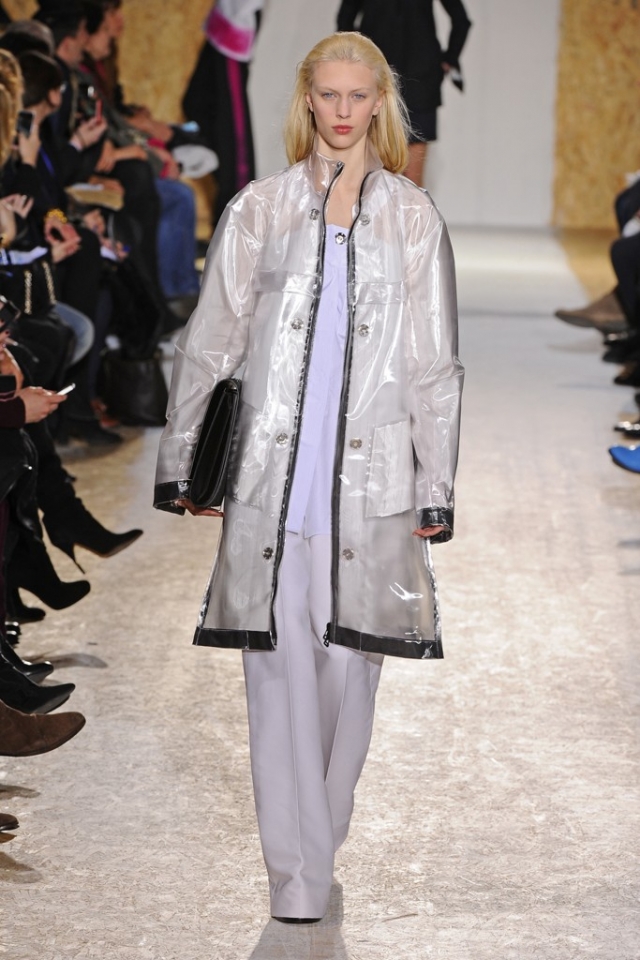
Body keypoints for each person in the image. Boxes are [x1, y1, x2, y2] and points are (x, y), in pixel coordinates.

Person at [154, 32, 463, 923]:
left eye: (358, 96)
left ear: (380, 103)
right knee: (277, 673)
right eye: (328, 94)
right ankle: (294, 870)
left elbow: (435, 364)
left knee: (349, 677)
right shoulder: (259, 210)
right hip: (272, 478)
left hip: (372, 483)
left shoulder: (413, 218)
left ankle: (321, 833)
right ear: (308, 99)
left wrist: (436, 483)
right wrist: (182, 462)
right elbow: (211, 340)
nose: (342, 111)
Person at [337, 0, 472, 186]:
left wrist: (449, 58)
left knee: (395, 180)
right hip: (394, 78)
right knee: (380, 176)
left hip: (402, 78)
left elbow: (345, 19)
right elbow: (345, 20)